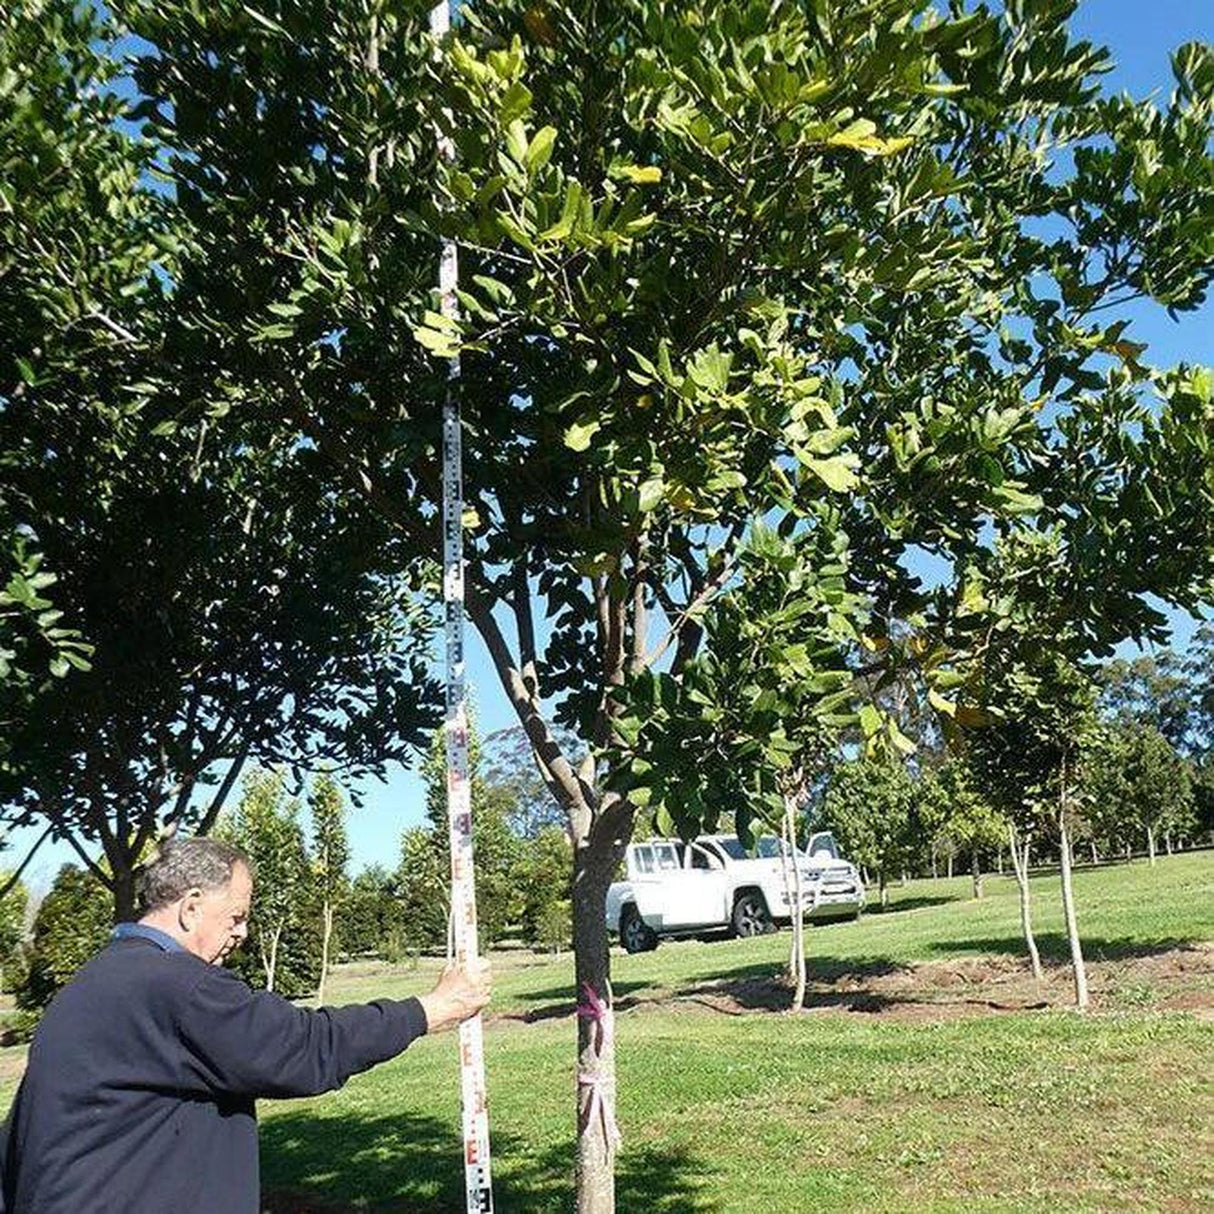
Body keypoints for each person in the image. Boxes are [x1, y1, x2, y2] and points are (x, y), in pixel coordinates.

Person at [0, 836, 491, 1213]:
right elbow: (304, 1048)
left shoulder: (91, 984)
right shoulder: (177, 986)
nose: (243, 932)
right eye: (236, 916)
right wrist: (431, 1009)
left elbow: (23, 1132)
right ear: (191, 907)